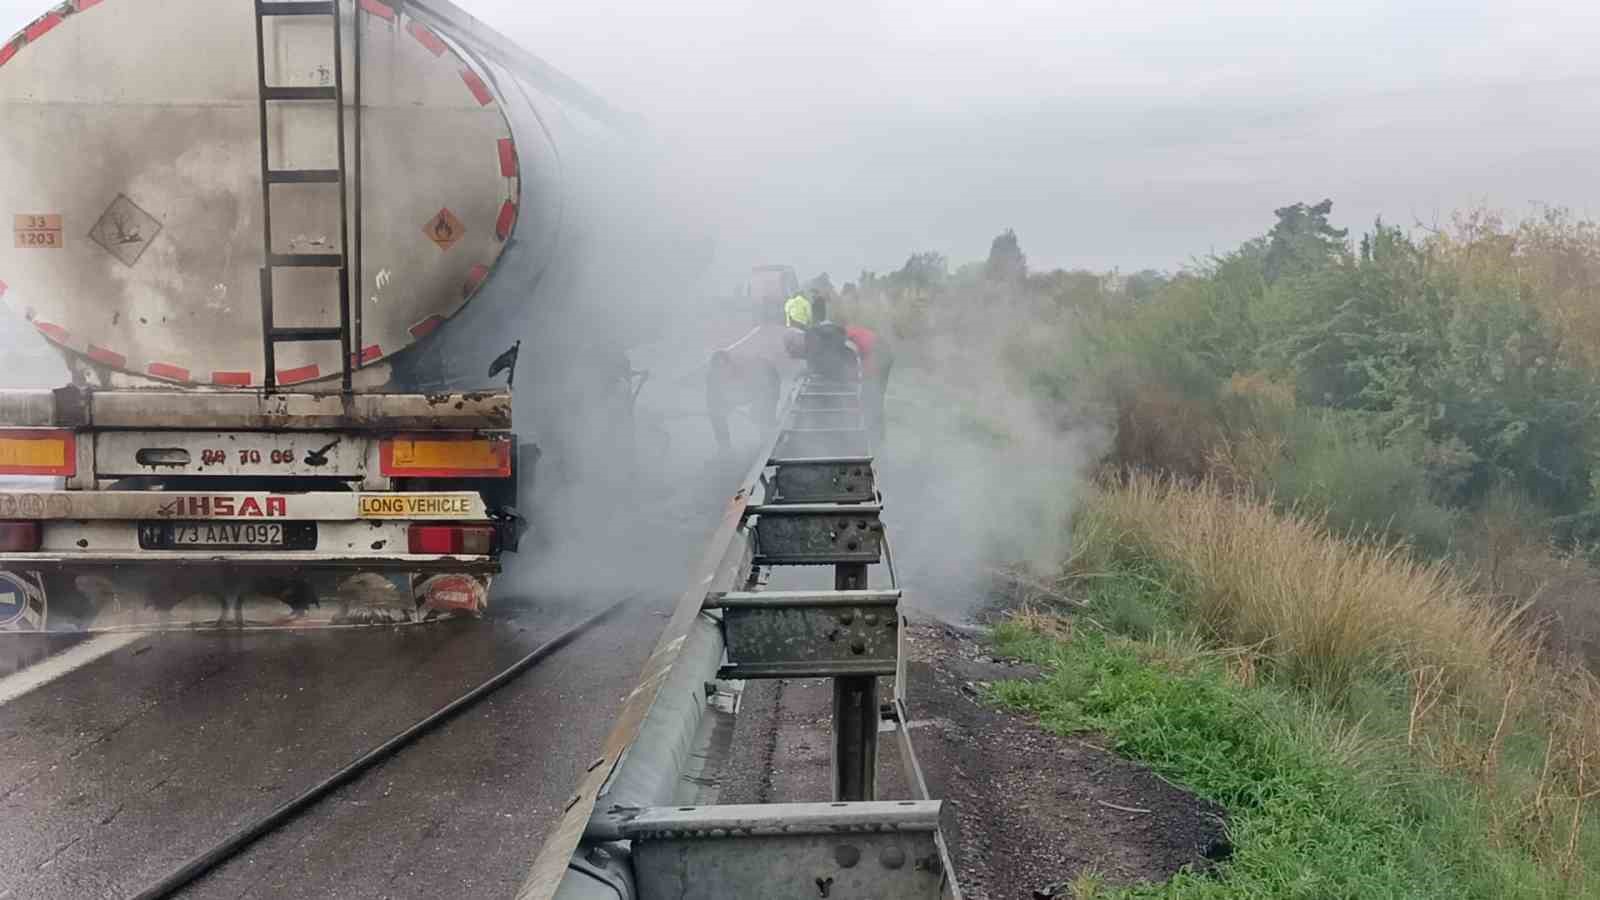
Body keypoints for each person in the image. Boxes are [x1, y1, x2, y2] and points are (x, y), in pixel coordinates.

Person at [707, 348, 780, 453]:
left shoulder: (751, 368)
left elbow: (765, 392)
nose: (722, 374)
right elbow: (714, 411)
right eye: (719, 372)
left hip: (769, 379)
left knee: (761, 414)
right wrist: (724, 445)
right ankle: (725, 448)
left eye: (725, 369)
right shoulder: (712, 380)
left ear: (731, 365)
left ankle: (769, 443)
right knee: (717, 412)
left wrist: (757, 409)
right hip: (746, 390)